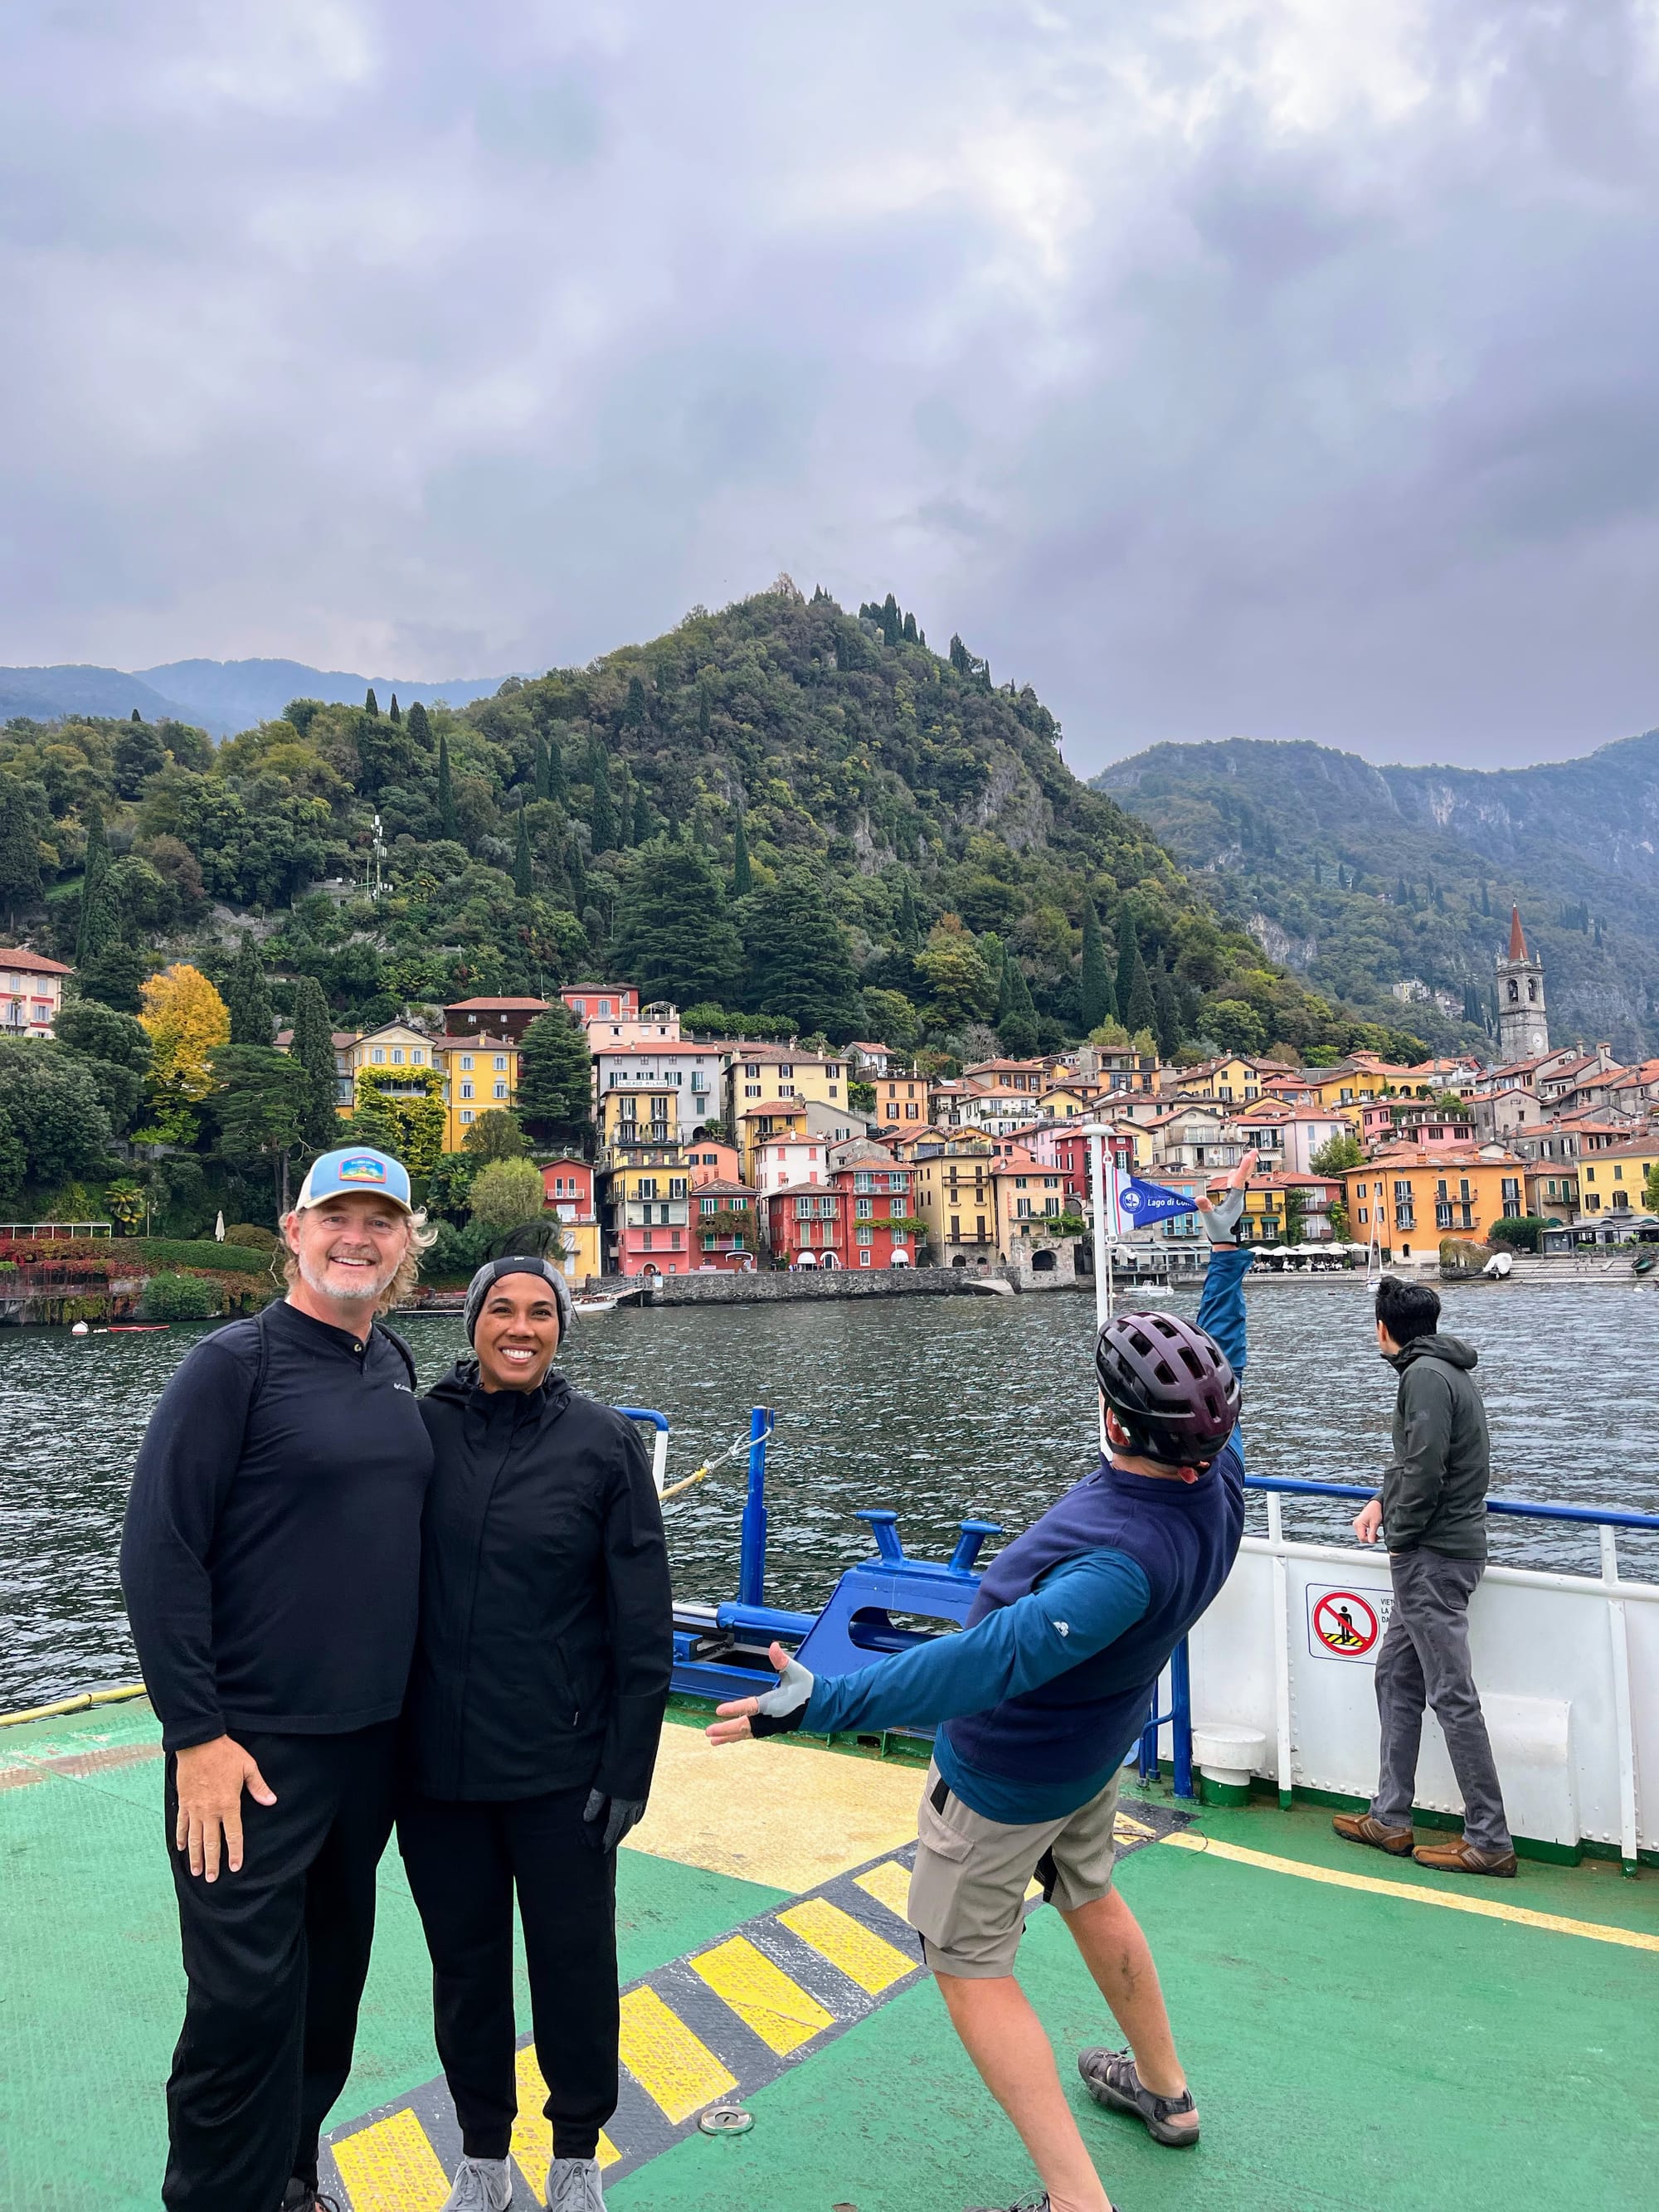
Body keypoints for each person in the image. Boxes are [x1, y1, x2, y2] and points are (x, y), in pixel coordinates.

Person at [708, 1155, 1260, 2212]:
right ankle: (1164, 2091)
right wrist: (1226, 1252)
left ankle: (1074, 2200)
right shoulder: (1216, 1474)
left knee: (967, 1964)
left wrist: (821, 1702)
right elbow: (1224, 1347)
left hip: (1009, 1776)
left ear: (1114, 1425)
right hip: (1091, 1751)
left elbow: (981, 1664)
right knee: (1087, 1890)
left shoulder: (1117, 1564)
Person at [120, 1148, 436, 2212]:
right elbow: (159, 1553)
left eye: (380, 1221)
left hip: (368, 1750)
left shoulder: (391, 1362)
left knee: (328, 1988)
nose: (358, 1237)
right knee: (241, 2006)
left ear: (404, 1244)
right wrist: (195, 1737)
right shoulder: (233, 1365)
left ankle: (291, 2182)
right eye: (336, 1216)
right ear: (294, 1231)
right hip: (248, 1753)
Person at [397, 1257, 673, 2212]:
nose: (521, 1327)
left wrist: (629, 1766)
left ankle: (575, 2156)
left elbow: (642, 1620)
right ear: (472, 1322)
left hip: (564, 1771)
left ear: (561, 1329)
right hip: (438, 1774)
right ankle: (483, 2156)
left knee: (574, 1969)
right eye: (502, 1310)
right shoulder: (419, 1431)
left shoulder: (601, 1444)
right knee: (465, 1973)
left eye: (542, 1312)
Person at [1335, 1275, 1515, 1877]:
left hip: (1432, 1556)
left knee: (1451, 1695)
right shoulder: (1443, 1370)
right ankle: (1390, 1816)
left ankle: (1489, 1838)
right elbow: (1415, 1461)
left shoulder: (1423, 1377)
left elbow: (1425, 1467)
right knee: (1395, 1676)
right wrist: (1381, 1500)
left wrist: (1402, 1537)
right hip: (1438, 1551)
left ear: (1383, 1329)